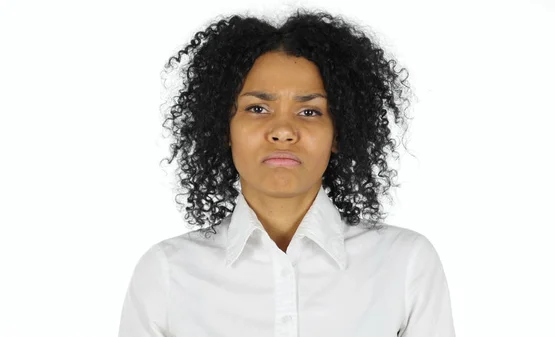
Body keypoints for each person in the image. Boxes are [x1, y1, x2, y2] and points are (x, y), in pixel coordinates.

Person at [118, 8, 455, 337]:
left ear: (338, 133)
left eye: (309, 111)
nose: (283, 131)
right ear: (225, 129)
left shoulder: (404, 264)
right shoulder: (166, 273)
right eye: (257, 108)